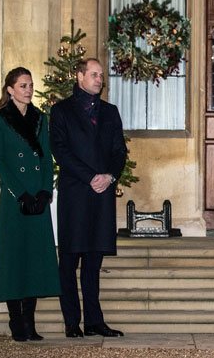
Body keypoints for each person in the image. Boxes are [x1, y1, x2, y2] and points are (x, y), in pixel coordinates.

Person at [50, 58, 127, 338]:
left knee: (94, 262)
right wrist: (90, 177)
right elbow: (60, 150)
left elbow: (120, 151)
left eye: (101, 75)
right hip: (76, 194)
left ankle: (95, 321)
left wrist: (109, 177)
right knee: (69, 260)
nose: (99, 79)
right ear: (79, 76)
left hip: (103, 195)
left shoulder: (110, 112)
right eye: (94, 74)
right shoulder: (61, 111)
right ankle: (72, 322)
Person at [0, 67, 60, 342]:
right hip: (14, 199)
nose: (28, 89)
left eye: (30, 85)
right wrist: (21, 194)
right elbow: (0, 163)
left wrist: (44, 191)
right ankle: (16, 321)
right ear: (10, 89)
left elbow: (45, 158)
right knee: (13, 258)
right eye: (22, 85)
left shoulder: (41, 118)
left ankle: (30, 321)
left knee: (35, 259)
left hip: (37, 199)